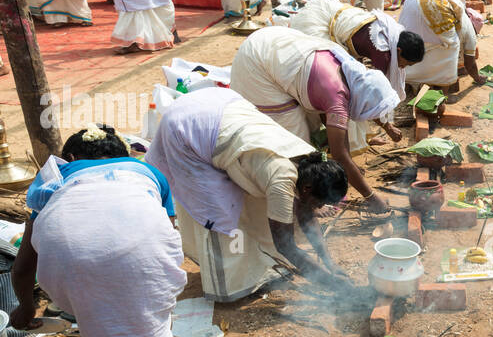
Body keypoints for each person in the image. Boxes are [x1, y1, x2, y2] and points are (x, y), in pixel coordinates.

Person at [12, 126, 189, 337]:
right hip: (147, 267)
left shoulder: (52, 182)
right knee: (144, 325)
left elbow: (23, 267)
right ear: (122, 156)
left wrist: (24, 309)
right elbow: (161, 234)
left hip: (73, 275)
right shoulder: (147, 173)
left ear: (70, 159)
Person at [146, 87, 353, 302]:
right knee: (221, 214)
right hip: (187, 129)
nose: (316, 208)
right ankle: (231, 287)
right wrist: (330, 283)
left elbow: (306, 216)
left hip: (216, 104)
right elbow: (286, 245)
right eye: (318, 202)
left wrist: (329, 263)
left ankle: (256, 264)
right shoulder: (282, 179)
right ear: (307, 189)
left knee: (260, 202)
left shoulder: (310, 161)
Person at [229, 27, 399, 205]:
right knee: (295, 143)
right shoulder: (336, 97)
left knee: (307, 126)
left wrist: (345, 173)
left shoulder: (350, 74)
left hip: (273, 45)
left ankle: (314, 190)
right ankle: (300, 199)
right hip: (256, 66)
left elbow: (340, 144)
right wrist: (371, 197)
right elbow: (339, 154)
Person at [287, 0, 425, 101]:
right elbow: (375, 88)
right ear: (399, 51)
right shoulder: (383, 54)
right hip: (322, 24)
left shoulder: (393, 30)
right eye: (406, 64)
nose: (402, 68)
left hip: (339, 14)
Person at [398, 0, 484, 87]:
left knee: (410, 43)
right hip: (435, 6)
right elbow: (470, 64)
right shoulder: (469, 30)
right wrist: (477, 78)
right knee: (451, 47)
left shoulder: (459, 13)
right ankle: (444, 89)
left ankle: (407, 79)